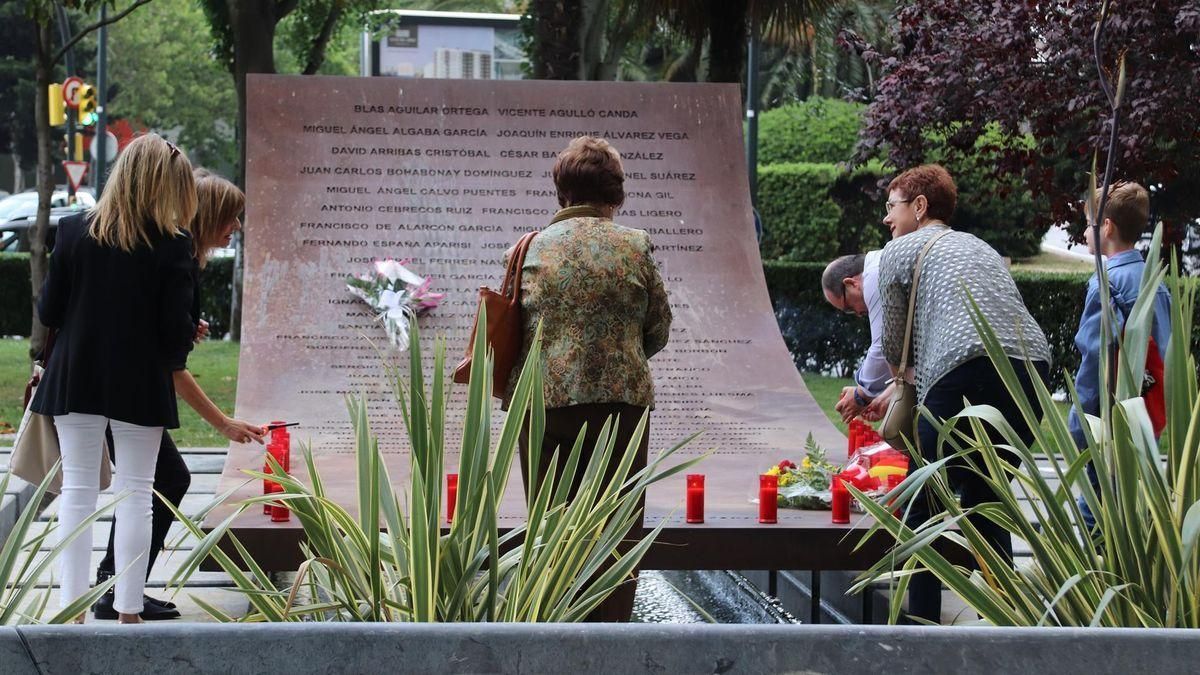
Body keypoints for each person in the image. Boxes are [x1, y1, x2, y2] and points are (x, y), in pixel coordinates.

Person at [30, 134, 199, 624]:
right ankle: (127, 610)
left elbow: (49, 309)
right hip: (140, 384)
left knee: (78, 492)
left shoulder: (71, 230)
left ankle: (70, 608)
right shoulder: (172, 244)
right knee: (137, 492)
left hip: (75, 378)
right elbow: (174, 329)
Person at [506, 136, 672, 622]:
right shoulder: (635, 246)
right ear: (616, 196)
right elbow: (657, 328)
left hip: (542, 408)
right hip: (619, 408)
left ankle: (555, 631)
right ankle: (612, 640)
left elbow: (512, 335)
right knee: (616, 532)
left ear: (561, 193)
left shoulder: (528, 249)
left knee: (550, 529)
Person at [877, 164, 1051, 624]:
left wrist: (894, 385)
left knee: (924, 493)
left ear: (919, 207)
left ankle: (920, 625)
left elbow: (896, 347)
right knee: (984, 493)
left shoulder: (900, 250)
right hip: (1031, 371)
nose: (886, 219)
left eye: (891, 207)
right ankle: (1006, 619)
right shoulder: (981, 246)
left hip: (962, 367)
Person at [91, 169, 265, 620]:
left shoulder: (182, 256)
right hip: (124, 391)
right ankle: (116, 589)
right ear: (207, 216)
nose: (238, 226)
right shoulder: (177, 258)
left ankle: (113, 584)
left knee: (161, 481)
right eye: (232, 217)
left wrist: (185, 328)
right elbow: (171, 366)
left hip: (112, 385)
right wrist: (222, 424)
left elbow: (160, 335)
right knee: (164, 481)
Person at [1071, 181, 1170, 530]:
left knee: (1095, 511)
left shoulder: (1106, 282)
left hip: (1110, 420)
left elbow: (1096, 357)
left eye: (1088, 223)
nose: (1085, 233)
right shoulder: (1153, 279)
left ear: (1106, 227)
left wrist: (1078, 422)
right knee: (1133, 507)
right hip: (1147, 414)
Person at [821, 253, 891, 423]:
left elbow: (884, 345)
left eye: (849, 307)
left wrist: (861, 395)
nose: (858, 314)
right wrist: (882, 396)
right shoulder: (880, 265)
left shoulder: (874, 275)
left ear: (851, 283)